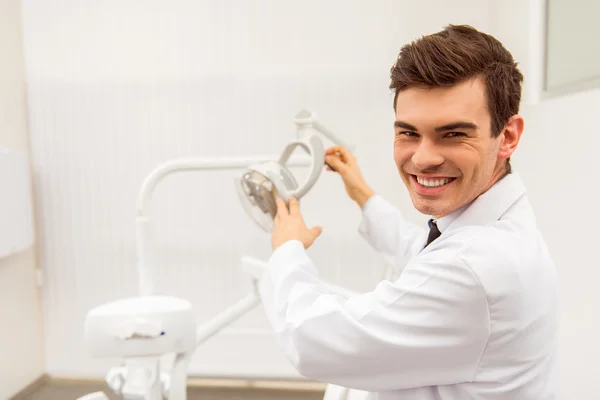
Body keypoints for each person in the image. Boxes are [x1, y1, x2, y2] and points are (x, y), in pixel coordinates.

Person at [258, 24, 558, 400]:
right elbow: (420, 249)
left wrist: (287, 250)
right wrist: (361, 192)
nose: (423, 158)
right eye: (408, 133)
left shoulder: (475, 267)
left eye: (453, 134)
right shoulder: (492, 225)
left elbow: (311, 338)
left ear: (508, 136)